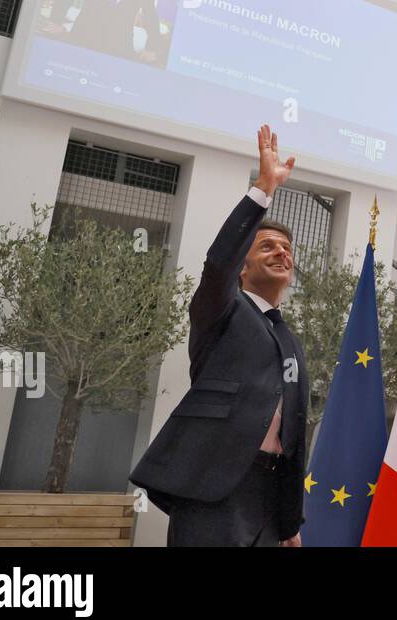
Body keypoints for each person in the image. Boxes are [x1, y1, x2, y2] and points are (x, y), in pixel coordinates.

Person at [131, 125, 308, 546]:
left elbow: (294, 431)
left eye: (286, 249)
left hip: (269, 499)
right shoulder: (222, 308)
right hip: (214, 491)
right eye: (267, 247)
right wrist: (264, 188)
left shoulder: (290, 340)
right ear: (243, 268)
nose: (281, 253)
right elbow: (219, 262)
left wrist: (290, 522)